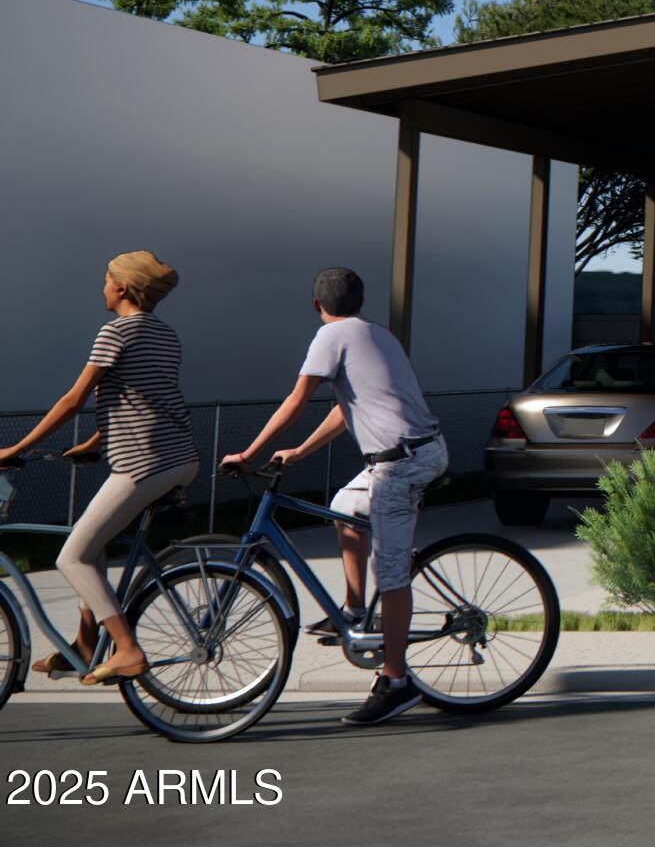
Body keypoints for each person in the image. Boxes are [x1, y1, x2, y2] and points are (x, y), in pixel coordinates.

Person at [222, 267, 447, 727]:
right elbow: (351, 408)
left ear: (315, 304)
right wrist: (301, 451)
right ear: (360, 300)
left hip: (402, 464)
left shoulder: (330, 336)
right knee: (344, 506)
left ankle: (396, 681)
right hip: (407, 455)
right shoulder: (376, 334)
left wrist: (249, 453)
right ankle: (353, 609)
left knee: (392, 571)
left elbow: (296, 401)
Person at [0, 252, 196, 685]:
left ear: (122, 288)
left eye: (106, 280)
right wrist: (94, 442)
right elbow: (144, 399)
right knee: (94, 543)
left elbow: (74, 399)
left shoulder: (115, 332)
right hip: (179, 455)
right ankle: (86, 645)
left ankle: (126, 649)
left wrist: (15, 446)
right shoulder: (166, 335)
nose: (102, 287)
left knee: (71, 557)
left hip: (145, 463)